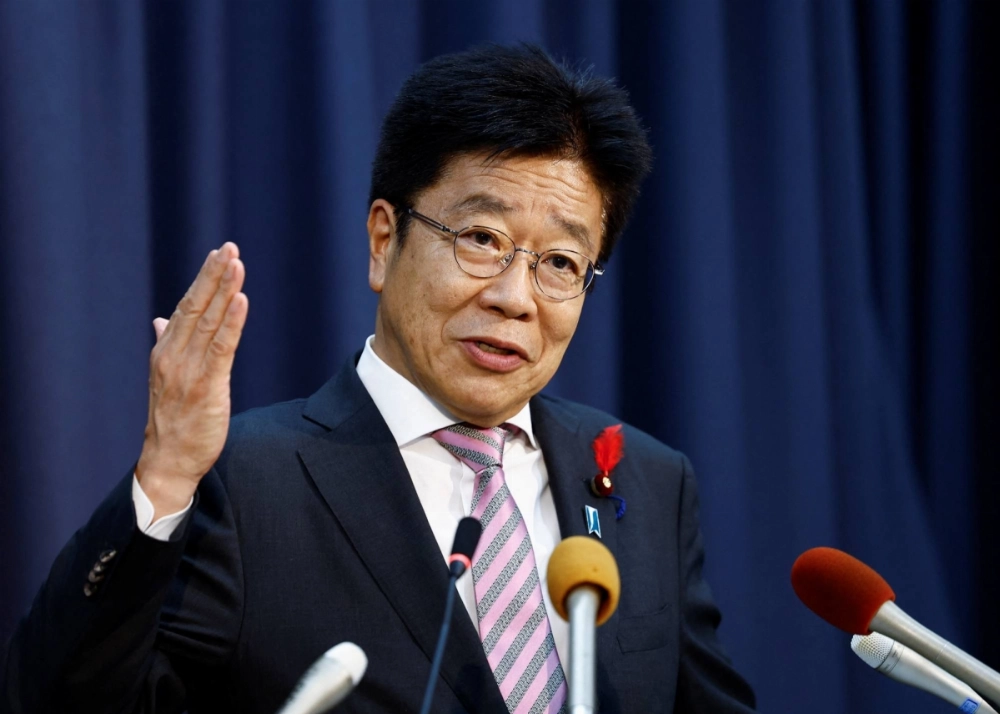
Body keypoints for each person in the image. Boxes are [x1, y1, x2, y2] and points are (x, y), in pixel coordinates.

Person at [1, 44, 755, 713]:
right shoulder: (245, 482)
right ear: (383, 239)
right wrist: (164, 477)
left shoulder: (647, 486)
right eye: (482, 239)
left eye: (559, 263)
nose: (514, 297)